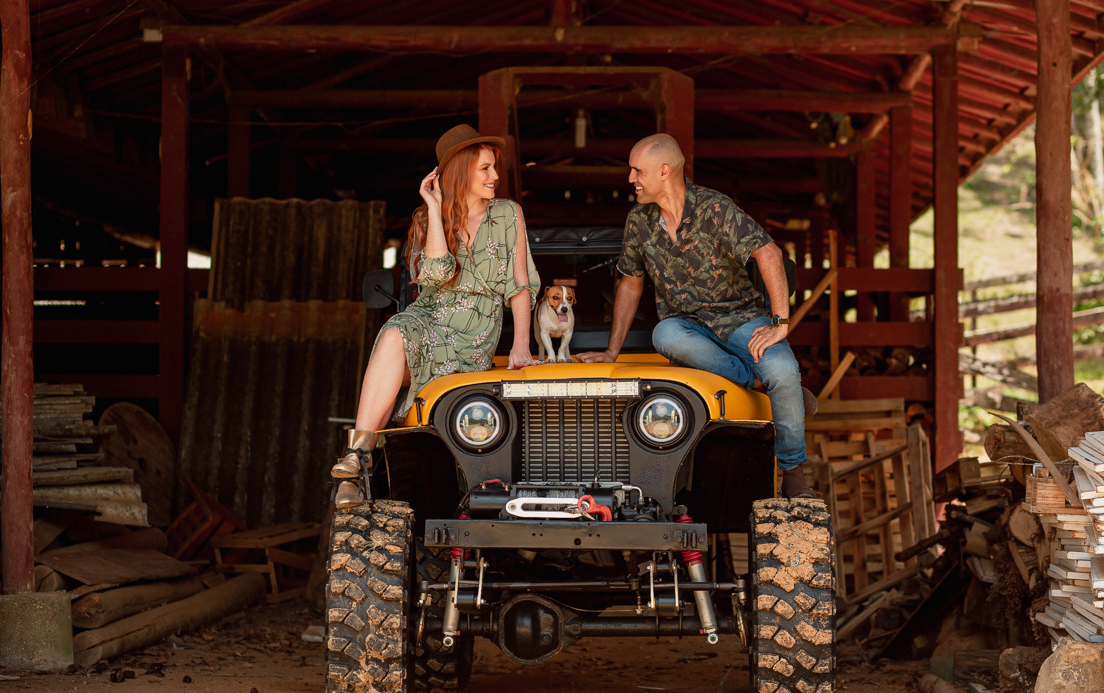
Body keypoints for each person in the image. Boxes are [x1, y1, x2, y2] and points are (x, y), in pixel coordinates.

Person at [577, 133, 815, 498]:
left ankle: (793, 471)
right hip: (687, 326)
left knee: (784, 371)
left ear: (664, 171)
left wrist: (780, 323)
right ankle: (756, 382)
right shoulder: (639, 220)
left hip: (740, 317)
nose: (631, 179)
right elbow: (630, 283)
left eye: (637, 171)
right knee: (663, 335)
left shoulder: (714, 208)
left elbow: (768, 253)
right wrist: (612, 351)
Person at [330, 125, 543, 501]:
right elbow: (435, 275)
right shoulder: (426, 219)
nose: (495, 176)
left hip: (474, 335)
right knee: (395, 331)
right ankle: (357, 455)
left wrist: (521, 345)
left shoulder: (508, 214)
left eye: (494, 167)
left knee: (397, 341)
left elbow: (520, 285)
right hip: (430, 318)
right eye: (485, 168)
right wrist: (433, 206)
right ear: (461, 171)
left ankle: (356, 470)